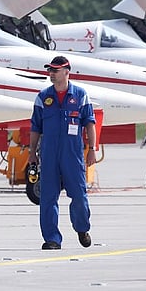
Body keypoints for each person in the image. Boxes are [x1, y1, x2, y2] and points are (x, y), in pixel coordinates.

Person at [29, 55, 97, 250]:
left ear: (67, 72)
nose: (51, 74)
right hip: (49, 154)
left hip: (72, 154)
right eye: (49, 70)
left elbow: (90, 123)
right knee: (48, 197)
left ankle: (82, 228)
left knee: (79, 196)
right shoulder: (43, 97)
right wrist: (32, 152)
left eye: (55, 70)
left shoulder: (80, 95)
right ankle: (52, 239)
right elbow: (35, 127)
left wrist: (92, 149)